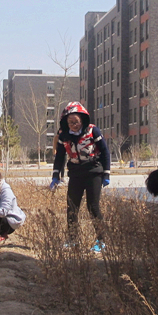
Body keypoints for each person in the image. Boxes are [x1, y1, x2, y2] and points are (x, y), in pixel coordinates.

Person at [50, 101, 110, 253]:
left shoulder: (93, 131)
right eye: (70, 122)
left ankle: (102, 240)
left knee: (93, 206)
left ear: (82, 119)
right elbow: (60, 157)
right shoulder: (64, 136)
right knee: (72, 207)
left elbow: (105, 151)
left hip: (93, 172)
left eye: (76, 122)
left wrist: (106, 173)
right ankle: (72, 239)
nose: (74, 125)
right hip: (76, 174)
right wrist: (55, 175)